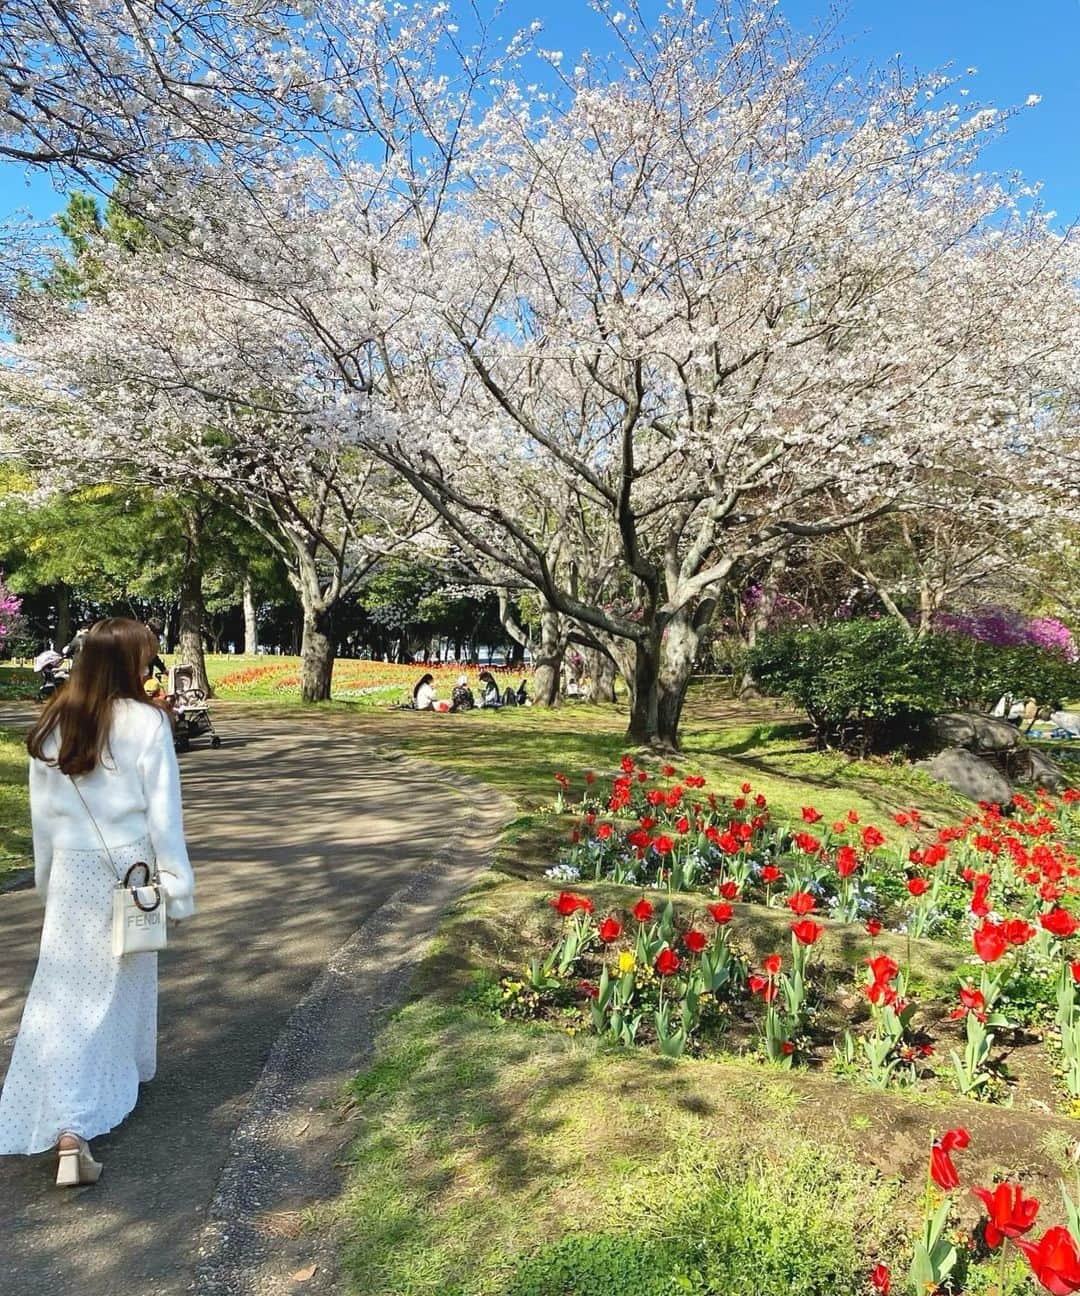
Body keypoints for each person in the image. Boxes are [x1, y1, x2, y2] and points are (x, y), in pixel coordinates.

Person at [0, 618, 195, 1186]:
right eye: (145, 658)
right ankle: (74, 1129)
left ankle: (96, 1091)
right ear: (127, 662)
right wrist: (176, 889)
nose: (149, 668)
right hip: (128, 867)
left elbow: (43, 820)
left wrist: (46, 880)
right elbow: (164, 816)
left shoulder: (55, 720)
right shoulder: (145, 721)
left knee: (66, 991)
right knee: (114, 987)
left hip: (72, 869)